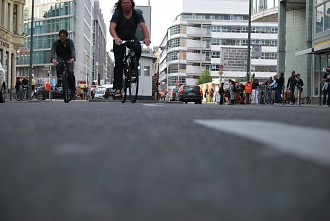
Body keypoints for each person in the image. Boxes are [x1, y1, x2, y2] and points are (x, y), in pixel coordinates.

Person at [109, 0, 151, 97]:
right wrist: (116, 38)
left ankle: (133, 68)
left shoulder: (136, 14)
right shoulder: (117, 14)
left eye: (128, 2)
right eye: (124, 3)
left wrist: (147, 37)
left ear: (132, 4)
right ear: (121, 4)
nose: (126, 4)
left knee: (138, 48)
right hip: (119, 39)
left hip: (131, 38)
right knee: (119, 62)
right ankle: (118, 88)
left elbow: (143, 26)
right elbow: (112, 27)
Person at [50, 29, 76, 99]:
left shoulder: (70, 42)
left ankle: (73, 91)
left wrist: (73, 58)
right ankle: (59, 80)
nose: (62, 37)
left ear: (66, 36)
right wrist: (53, 59)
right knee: (58, 65)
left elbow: (72, 50)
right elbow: (53, 50)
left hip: (69, 58)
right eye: (61, 36)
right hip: (60, 57)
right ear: (59, 36)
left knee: (70, 72)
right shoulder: (56, 43)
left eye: (64, 36)